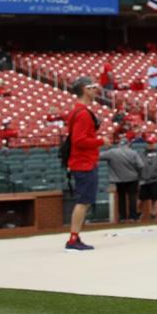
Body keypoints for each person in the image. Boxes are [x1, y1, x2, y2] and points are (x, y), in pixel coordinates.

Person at [64, 77, 107, 251]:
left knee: (85, 201)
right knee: (83, 201)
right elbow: (80, 140)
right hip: (84, 163)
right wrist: (100, 141)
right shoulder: (82, 113)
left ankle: (75, 237)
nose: (95, 90)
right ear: (84, 89)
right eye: (92, 87)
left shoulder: (78, 111)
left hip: (82, 161)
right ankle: (73, 239)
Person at [99, 138, 146, 223]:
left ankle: (122, 217)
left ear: (119, 144)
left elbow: (98, 156)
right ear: (128, 144)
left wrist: (107, 148)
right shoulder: (133, 152)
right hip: (133, 178)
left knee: (121, 198)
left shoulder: (112, 152)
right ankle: (133, 217)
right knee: (132, 197)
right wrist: (139, 175)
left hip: (119, 179)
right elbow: (141, 165)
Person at [139, 136, 157, 222]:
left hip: (156, 179)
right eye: (148, 143)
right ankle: (139, 213)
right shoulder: (142, 153)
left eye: (151, 143)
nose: (150, 145)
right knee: (141, 198)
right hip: (144, 179)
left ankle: (154, 214)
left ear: (155, 143)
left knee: (155, 198)